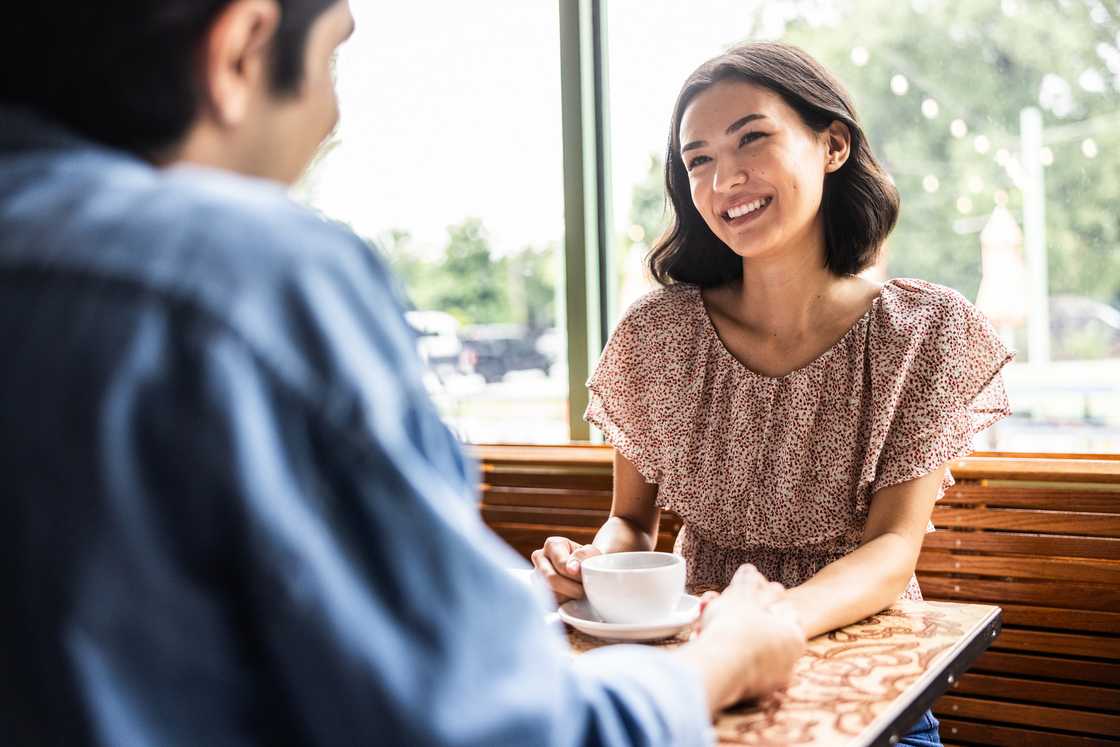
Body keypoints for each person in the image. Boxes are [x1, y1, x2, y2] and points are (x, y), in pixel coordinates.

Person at [0, 2, 807, 745]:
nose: (332, 119)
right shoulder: (248, 282)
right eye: (332, 61)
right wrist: (723, 657)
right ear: (240, 49)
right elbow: (502, 731)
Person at [531, 42, 1013, 747]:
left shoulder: (926, 330)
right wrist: (594, 568)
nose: (725, 177)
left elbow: (891, 547)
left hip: (868, 679)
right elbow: (631, 525)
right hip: (695, 673)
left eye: (751, 137)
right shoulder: (654, 332)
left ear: (833, 144)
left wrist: (767, 621)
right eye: (698, 159)